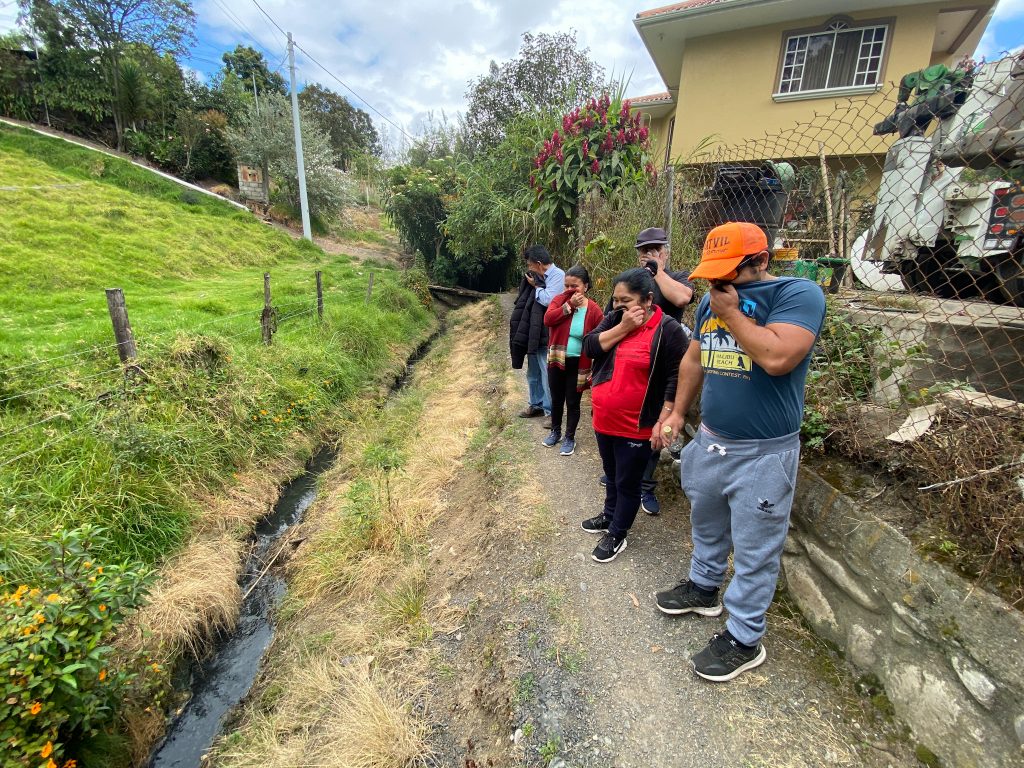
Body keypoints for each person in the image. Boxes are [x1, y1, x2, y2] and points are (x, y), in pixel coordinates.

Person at [653, 222, 826, 682]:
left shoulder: (799, 296)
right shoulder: (712, 299)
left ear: (762, 260)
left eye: (730, 272)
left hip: (764, 453)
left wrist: (731, 314)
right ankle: (704, 586)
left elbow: (777, 357)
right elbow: (695, 358)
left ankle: (745, 637)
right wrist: (675, 413)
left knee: (755, 549)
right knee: (705, 520)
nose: (717, 284)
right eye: (713, 274)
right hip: (712, 440)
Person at [581, 268, 686, 563]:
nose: (617, 306)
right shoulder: (615, 319)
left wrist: (664, 418)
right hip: (604, 420)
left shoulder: (667, 329)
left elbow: (676, 377)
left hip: (636, 425)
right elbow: (590, 346)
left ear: (648, 299)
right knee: (612, 475)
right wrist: (624, 326)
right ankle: (609, 514)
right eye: (615, 300)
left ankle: (618, 532)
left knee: (628, 481)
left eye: (625, 300)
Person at [633, 227, 694, 516]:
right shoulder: (633, 281)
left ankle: (645, 486)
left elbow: (682, 299)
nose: (649, 254)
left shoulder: (678, 277)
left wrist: (657, 271)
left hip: (664, 359)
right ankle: (623, 476)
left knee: (657, 419)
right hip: (634, 357)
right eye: (644, 250)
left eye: (655, 249)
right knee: (630, 415)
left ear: (665, 252)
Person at [543, 264, 604, 456]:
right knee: (556, 398)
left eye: (574, 286)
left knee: (573, 400)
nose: (570, 290)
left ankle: (569, 437)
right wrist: (569, 307)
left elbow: (600, 335)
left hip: (579, 363)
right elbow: (548, 319)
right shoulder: (559, 300)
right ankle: (555, 432)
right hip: (556, 359)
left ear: (585, 286)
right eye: (566, 286)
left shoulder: (593, 309)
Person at [517, 245, 565, 423]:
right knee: (533, 370)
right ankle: (535, 403)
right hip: (535, 331)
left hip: (549, 332)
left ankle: (550, 411)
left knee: (546, 371)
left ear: (538, 263)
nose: (528, 268)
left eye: (530, 265)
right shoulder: (540, 276)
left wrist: (536, 286)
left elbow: (549, 300)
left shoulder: (558, 276)